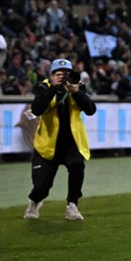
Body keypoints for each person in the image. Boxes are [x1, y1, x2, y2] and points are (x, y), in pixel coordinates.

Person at [24, 58, 97, 221]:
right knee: (41, 187)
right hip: (48, 144)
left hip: (72, 143)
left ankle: (72, 204)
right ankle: (35, 201)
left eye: (66, 74)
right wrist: (53, 88)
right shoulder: (43, 87)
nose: (63, 77)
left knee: (77, 166)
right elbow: (36, 109)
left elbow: (91, 110)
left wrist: (76, 92)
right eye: (59, 74)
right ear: (51, 75)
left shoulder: (77, 87)